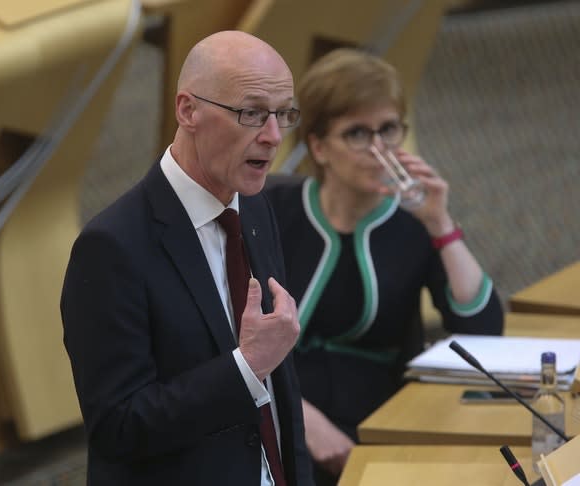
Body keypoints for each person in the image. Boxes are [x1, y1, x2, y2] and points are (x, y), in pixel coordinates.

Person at [61, 31, 313, 485]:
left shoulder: (255, 207)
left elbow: (281, 392)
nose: (274, 136)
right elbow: (118, 428)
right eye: (252, 113)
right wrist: (246, 367)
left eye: (283, 114)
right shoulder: (111, 247)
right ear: (188, 110)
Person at [265, 48, 504, 485]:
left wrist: (441, 225)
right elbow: (221, 330)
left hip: (372, 421)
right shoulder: (273, 211)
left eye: (389, 129)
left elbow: (484, 333)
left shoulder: (413, 223)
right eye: (357, 133)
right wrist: (298, 416)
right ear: (318, 146)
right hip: (269, 411)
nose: (379, 149)